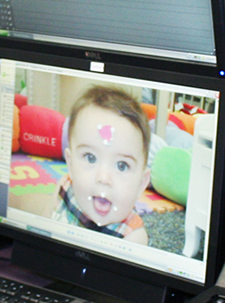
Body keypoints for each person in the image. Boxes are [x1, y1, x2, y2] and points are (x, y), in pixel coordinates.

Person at [51, 85, 151, 245]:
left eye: (122, 166)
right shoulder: (64, 189)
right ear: (70, 164)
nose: (103, 178)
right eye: (90, 158)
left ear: (141, 183)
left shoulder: (132, 238)